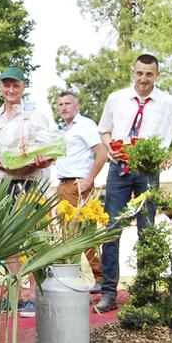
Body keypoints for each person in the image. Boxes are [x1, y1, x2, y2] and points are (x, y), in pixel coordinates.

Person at [96, 54, 172, 312]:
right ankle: (108, 293)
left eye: (149, 74)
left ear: (157, 75)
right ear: (134, 71)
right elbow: (104, 129)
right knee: (112, 229)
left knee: (147, 232)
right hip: (119, 168)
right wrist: (110, 146)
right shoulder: (116, 98)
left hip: (149, 170)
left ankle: (144, 292)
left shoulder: (169, 103)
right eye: (140, 73)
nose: (143, 79)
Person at [0, 66, 55, 317]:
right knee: (6, 242)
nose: (10, 90)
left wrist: (41, 160)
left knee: (31, 238)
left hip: (28, 183)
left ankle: (33, 294)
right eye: (6, 85)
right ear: (0, 87)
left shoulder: (35, 116)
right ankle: (16, 293)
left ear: (23, 88)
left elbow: (49, 152)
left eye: (15, 85)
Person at [56, 91, 107, 293]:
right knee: (67, 233)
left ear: (77, 105)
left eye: (68, 103)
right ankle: (75, 275)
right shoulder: (63, 130)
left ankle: (99, 276)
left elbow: (102, 152)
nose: (64, 107)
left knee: (84, 232)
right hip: (63, 184)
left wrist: (89, 179)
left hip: (78, 184)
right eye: (60, 104)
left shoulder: (84, 124)